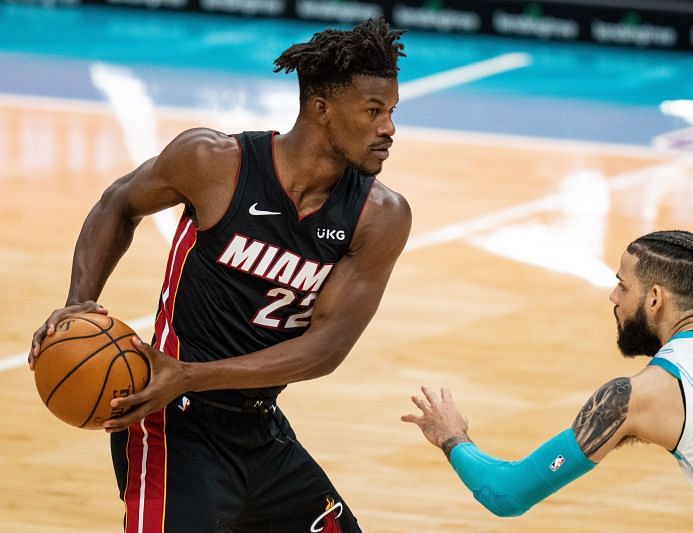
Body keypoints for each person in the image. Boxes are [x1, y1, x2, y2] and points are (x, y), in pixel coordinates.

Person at [29, 18, 410, 533]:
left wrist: (192, 374)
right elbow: (118, 204)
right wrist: (80, 300)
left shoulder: (378, 216)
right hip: (171, 423)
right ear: (321, 109)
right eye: (373, 111)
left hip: (258, 428)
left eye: (390, 112)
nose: (388, 128)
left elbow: (325, 350)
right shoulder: (214, 163)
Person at [403, 230, 693, 533]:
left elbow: (507, 493)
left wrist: (452, 437)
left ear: (655, 298)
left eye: (623, 285)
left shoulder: (637, 396)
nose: (613, 296)